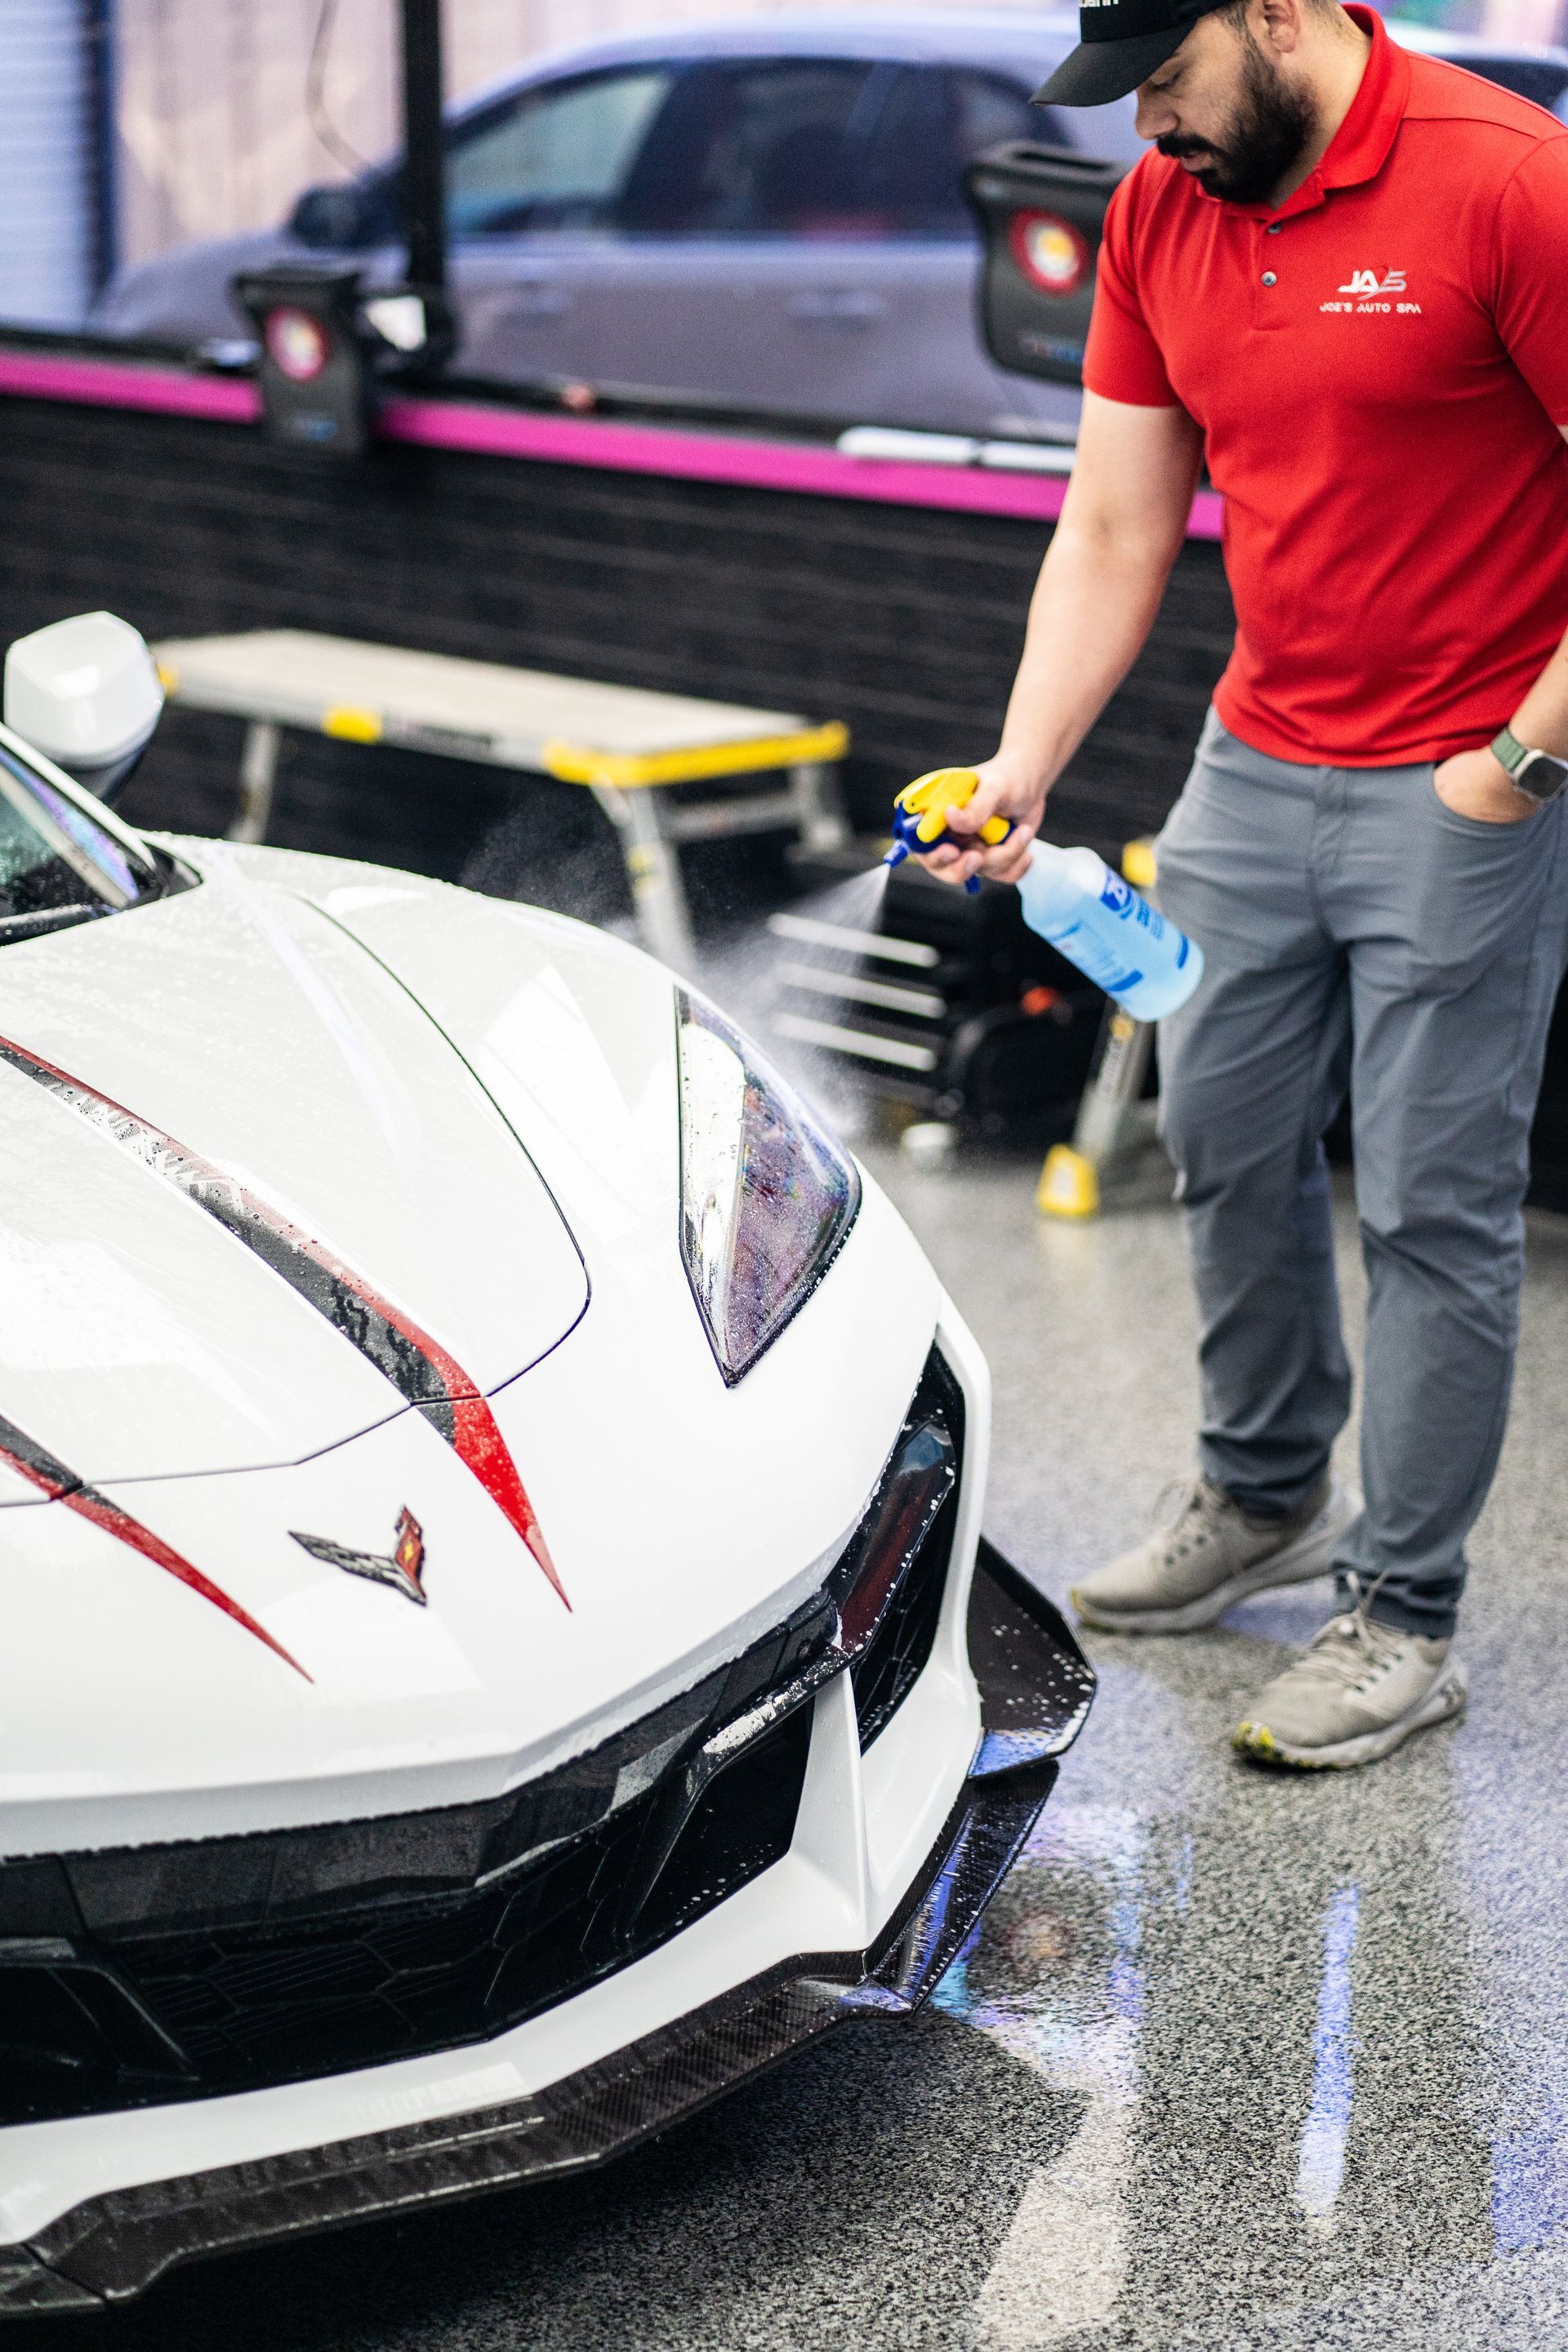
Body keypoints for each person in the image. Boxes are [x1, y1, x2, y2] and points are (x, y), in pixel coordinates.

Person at [925, 0, 1568, 1768]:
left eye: (1165, 79)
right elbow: (1120, 523)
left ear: (1275, 15)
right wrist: (1024, 761)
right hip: (1254, 755)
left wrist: (1522, 758)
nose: (1149, 127)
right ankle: (1265, 1488)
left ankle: (1407, 1616)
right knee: (1219, 1126)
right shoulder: (1163, 210)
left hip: (1469, 781)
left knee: (1431, 1204)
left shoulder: (1510, 185)